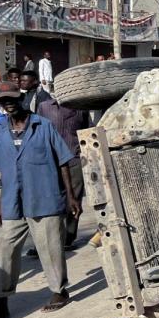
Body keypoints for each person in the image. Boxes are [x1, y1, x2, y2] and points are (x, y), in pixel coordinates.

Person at [0, 82, 80, 318]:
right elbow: (6, 171)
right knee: (6, 250)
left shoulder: (43, 125)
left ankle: (59, 292)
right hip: (13, 202)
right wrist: (1, 204)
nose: (8, 103)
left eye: (11, 98)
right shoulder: (0, 131)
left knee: (50, 247)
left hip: (44, 197)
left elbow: (63, 160)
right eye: (3, 100)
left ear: (20, 97)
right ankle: (2, 300)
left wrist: (71, 196)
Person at [37, 96, 89, 250]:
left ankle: (69, 237)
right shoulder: (44, 107)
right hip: (50, 162)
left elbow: (87, 131)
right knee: (51, 202)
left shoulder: (80, 107)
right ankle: (50, 240)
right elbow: (36, 131)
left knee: (73, 199)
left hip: (74, 159)